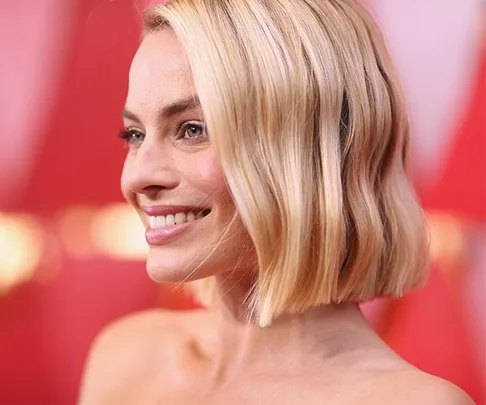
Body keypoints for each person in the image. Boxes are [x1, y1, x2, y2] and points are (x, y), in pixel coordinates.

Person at [78, 0, 475, 403]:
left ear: (308, 152)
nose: (137, 177)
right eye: (135, 134)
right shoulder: (127, 358)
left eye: (192, 129)